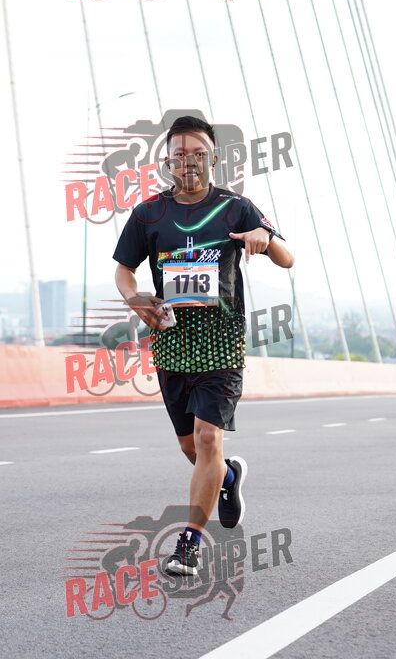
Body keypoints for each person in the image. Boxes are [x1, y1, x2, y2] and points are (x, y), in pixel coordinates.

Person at [112, 115, 294, 575]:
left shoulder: (236, 207)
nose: (188, 162)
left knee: (209, 437)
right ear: (167, 161)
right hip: (172, 341)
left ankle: (189, 543)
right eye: (180, 155)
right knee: (192, 448)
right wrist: (134, 299)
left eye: (198, 154)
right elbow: (124, 269)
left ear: (213, 159)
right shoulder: (148, 214)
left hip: (222, 342)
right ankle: (228, 475)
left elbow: (287, 257)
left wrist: (265, 238)